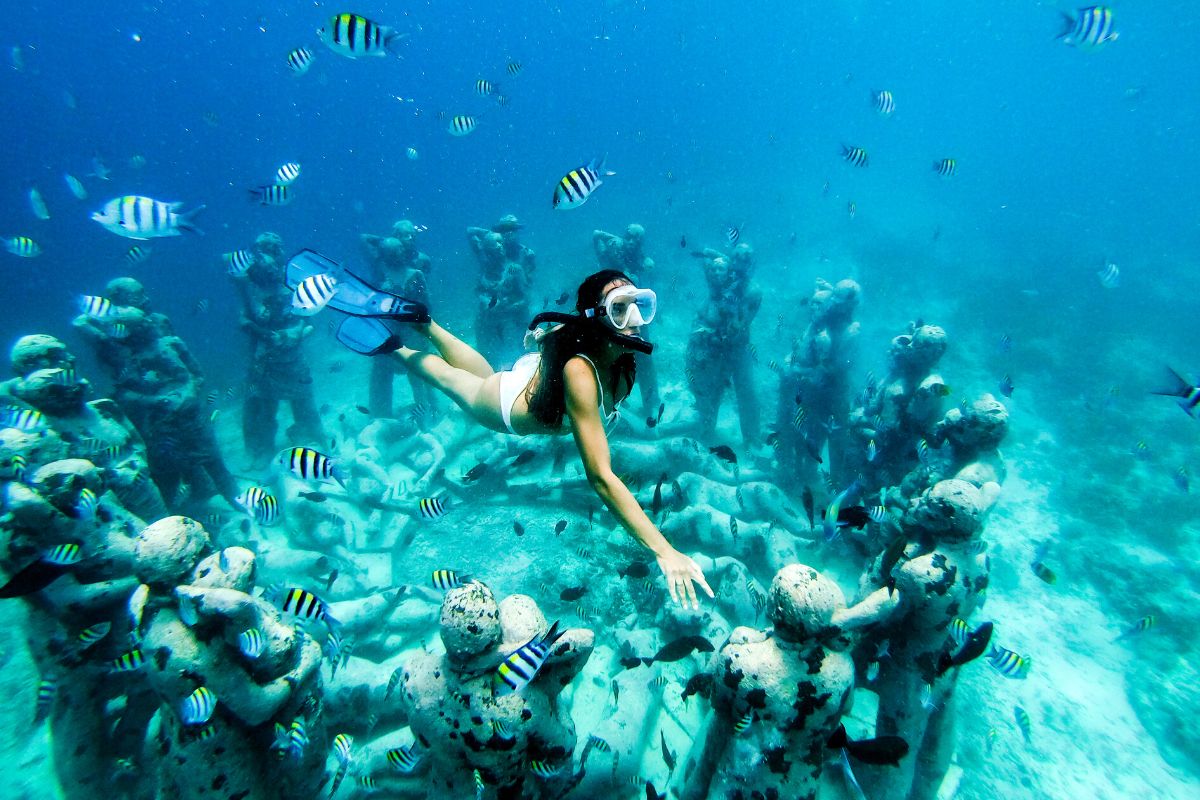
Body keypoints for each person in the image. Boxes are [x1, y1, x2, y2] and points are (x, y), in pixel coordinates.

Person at [288, 250, 713, 608]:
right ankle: (397, 347)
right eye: (621, 309)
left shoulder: (609, 345)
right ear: (596, 318)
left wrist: (547, 334)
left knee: (485, 373)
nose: (636, 319)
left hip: (532, 377)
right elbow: (600, 478)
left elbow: (572, 329)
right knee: (455, 381)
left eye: (640, 304)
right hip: (507, 406)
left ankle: (426, 324)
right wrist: (665, 550)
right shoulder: (582, 375)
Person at [73, 278, 238, 511]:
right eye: (135, 296)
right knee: (165, 475)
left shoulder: (163, 332)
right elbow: (120, 392)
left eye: (142, 293)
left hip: (190, 416)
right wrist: (155, 401)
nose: (145, 299)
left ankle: (237, 502)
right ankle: (170, 520)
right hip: (156, 426)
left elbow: (195, 374)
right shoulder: (114, 348)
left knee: (214, 463)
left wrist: (187, 395)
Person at [231, 233, 326, 468]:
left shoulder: (292, 280)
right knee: (265, 406)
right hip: (265, 359)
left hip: (292, 357)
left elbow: (309, 315)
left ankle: (312, 437)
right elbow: (244, 321)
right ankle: (262, 450)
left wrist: (295, 333)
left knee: (304, 400)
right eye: (264, 249)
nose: (270, 255)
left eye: (274, 249)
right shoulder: (251, 289)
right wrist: (267, 336)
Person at [686, 243, 762, 445]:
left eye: (745, 260)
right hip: (717, 346)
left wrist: (714, 336)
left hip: (737, 347)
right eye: (735, 258)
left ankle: (752, 440)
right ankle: (706, 431)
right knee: (714, 388)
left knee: (746, 391)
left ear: (751, 264)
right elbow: (707, 259)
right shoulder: (724, 275)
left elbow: (740, 324)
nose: (739, 264)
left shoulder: (752, 290)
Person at [360, 220, 435, 417]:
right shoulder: (380, 262)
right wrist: (388, 243)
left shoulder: (420, 263)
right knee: (382, 370)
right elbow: (364, 239)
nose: (409, 239)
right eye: (404, 235)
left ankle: (431, 410)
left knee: (420, 371)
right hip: (387, 328)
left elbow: (424, 299)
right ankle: (379, 415)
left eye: (412, 235)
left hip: (410, 328)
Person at [592, 223, 661, 420]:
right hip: (609, 317)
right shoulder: (614, 249)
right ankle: (609, 406)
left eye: (636, 240)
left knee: (645, 359)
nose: (631, 242)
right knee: (608, 358)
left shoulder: (642, 260)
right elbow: (597, 233)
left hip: (635, 319)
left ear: (641, 244)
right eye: (628, 237)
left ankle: (651, 405)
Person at [466, 215, 536, 366]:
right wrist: (491, 235)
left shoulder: (526, 254)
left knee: (522, 352)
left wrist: (509, 303)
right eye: (504, 230)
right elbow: (470, 231)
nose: (508, 234)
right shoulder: (489, 252)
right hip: (492, 314)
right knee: (490, 357)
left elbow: (526, 288)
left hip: (515, 312)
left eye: (512, 230)